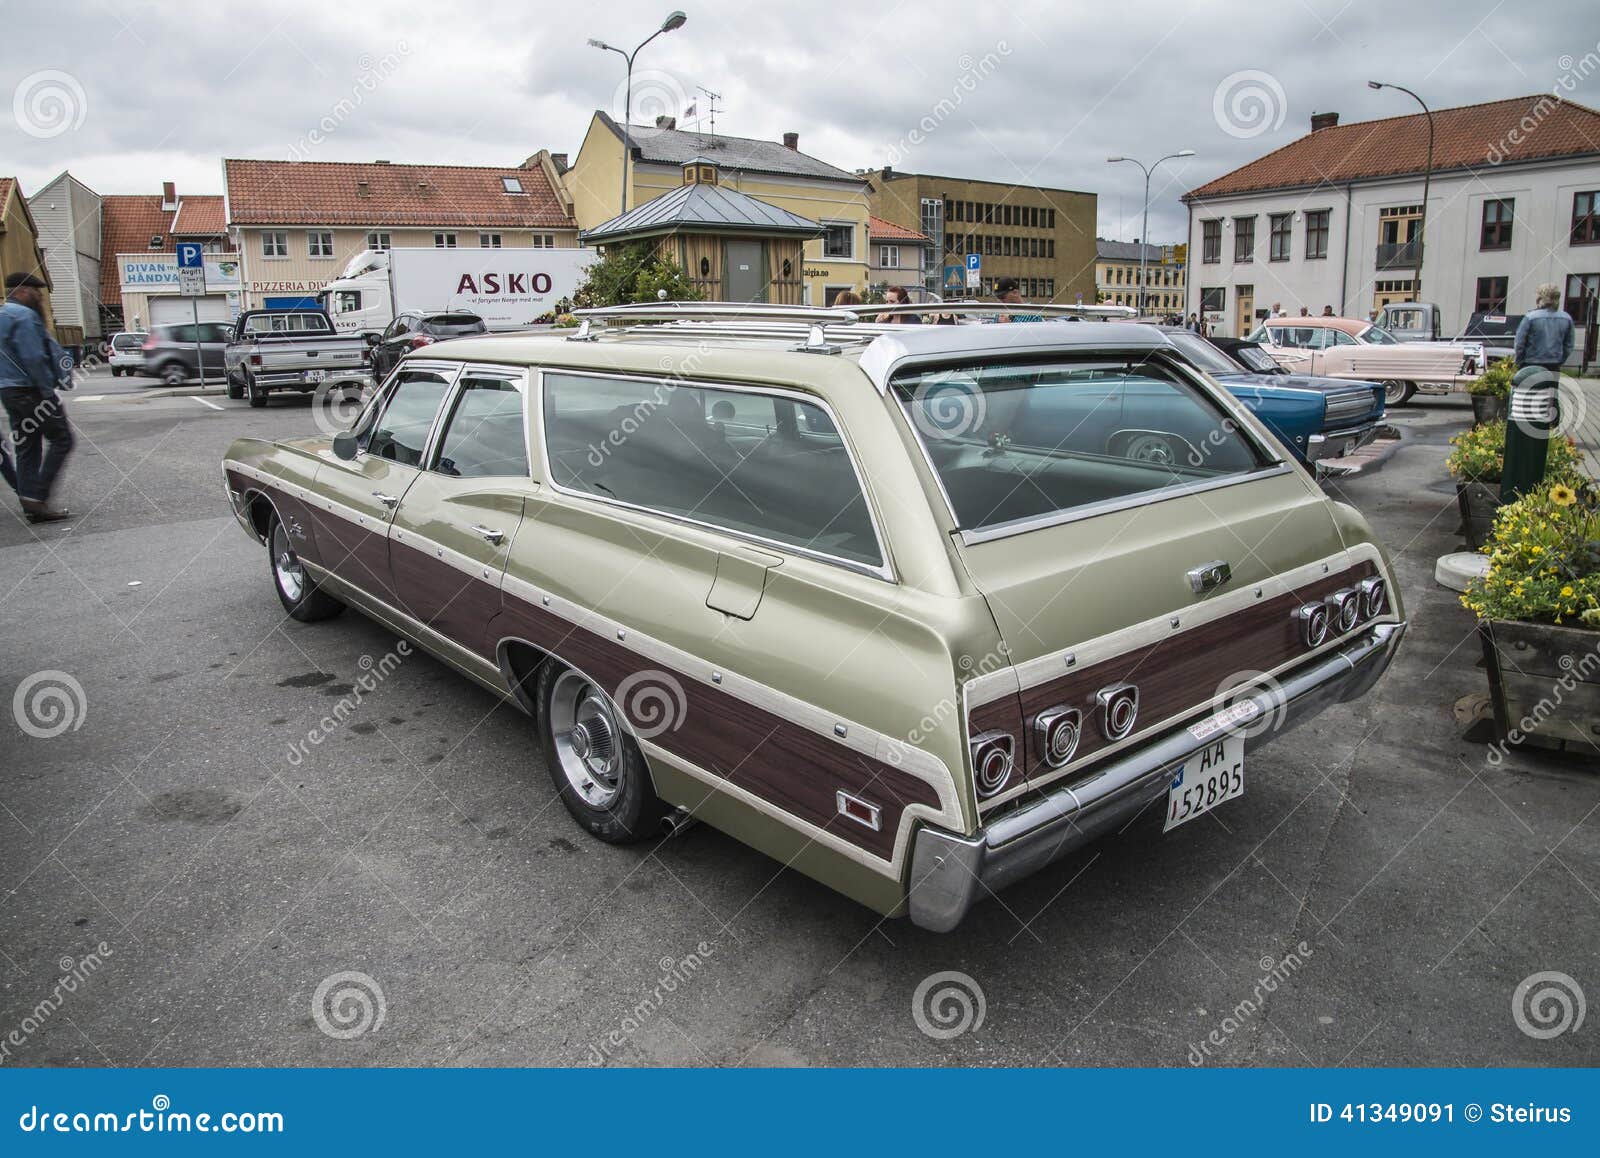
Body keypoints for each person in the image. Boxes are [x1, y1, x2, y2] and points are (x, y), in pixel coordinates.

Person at [0, 272, 73, 522]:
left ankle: (31, 502)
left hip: (8, 391)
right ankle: (36, 497)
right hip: (30, 390)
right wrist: (47, 393)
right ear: (22, 291)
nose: (40, 296)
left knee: (27, 447)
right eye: (36, 291)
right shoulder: (24, 316)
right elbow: (33, 358)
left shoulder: (2, 315)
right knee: (62, 439)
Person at [1502, 283, 1577, 501]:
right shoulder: (1566, 319)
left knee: (1523, 406)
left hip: (1530, 364)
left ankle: (1529, 440)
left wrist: (1519, 363)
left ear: (1541, 297)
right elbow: (1569, 345)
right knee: (1549, 402)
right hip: (1552, 365)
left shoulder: (1531, 318)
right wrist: (1559, 359)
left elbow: (1520, 342)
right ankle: (1546, 431)